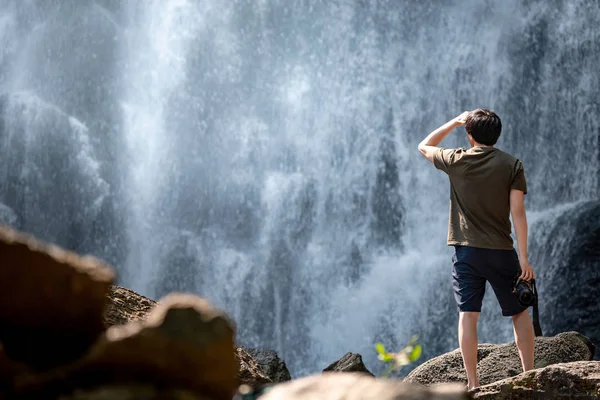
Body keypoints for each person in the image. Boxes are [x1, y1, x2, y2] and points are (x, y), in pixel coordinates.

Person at [417, 109, 536, 390]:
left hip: (466, 252)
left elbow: (424, 146)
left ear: (469, 134)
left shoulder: (456, 159)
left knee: (468, 315)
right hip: (502, 251)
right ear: (497, 134)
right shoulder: (512, 165)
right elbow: (518, 213)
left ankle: (472, 384)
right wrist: (524, 257)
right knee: (519, 313)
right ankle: (530, 375)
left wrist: (454, 121)